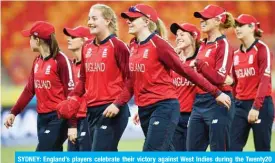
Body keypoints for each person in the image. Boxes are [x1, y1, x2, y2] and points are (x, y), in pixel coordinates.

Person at [108, 4, 231, 151]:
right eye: (128, 18)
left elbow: (186, 71)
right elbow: (132, 82)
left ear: (147, 22)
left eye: (133, 19)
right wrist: (117, 104)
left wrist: (215, 92)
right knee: (168, 152)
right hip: (144, 109)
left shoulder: (159, 44)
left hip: (164, 107)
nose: (128, 21)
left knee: (151, 153)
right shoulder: (133, 45)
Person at [58, 4, 130, 151]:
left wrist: (117, 104)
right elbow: (84, 79)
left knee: (98, 154)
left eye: (94, 18)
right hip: (91, 111)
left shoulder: (118, 46)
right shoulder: (87, 47)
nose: (89, 22)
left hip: (111, 110)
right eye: (89, 18)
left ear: (108, 20)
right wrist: (72, 98)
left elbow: (131, 80)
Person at [4, 21, 74, 151]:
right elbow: (29, 90)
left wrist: (72, 125)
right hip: (42, 118)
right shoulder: (37, 60)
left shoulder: (61, 60)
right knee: (53, 155)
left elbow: (71, 96)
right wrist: (14, 112)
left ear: (37, 39)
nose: (29, 41)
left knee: (41, 153)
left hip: (58, 118)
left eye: (30, 38)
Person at [186, 4, 235, 151]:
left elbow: (220, 78)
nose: (201, 20)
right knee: (191, 153)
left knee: (219, 152)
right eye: (201, 17)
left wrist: (200, 65)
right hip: (199, 102)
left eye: (206, 17)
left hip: (219, 102)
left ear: (218, 20)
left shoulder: (223, 44)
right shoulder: (203, 45)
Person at [230, 14, 274, 151]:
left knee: (262, 150)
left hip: (260, 105)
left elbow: (264, 81)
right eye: (236, 26)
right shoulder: (236, 54)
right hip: (240, 106)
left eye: (241, 25)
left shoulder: (261, 49)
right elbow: (235, 84)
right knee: (231, 149)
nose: (237, 28)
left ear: (252, 27)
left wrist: (255, 107)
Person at [169, 22, 208, 151]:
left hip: (196, 116)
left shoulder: (201, 60)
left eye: (182, 34)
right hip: (175, 117)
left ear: (193, 37)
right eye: (177, 35)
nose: (178, 37)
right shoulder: (174, 62)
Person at [63, 26, 92, 151]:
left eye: (73, 37)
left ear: (84, 41)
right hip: (73, 120)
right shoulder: (69, 66)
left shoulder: (91, 65)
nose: (69, 39)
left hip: (88, 118)